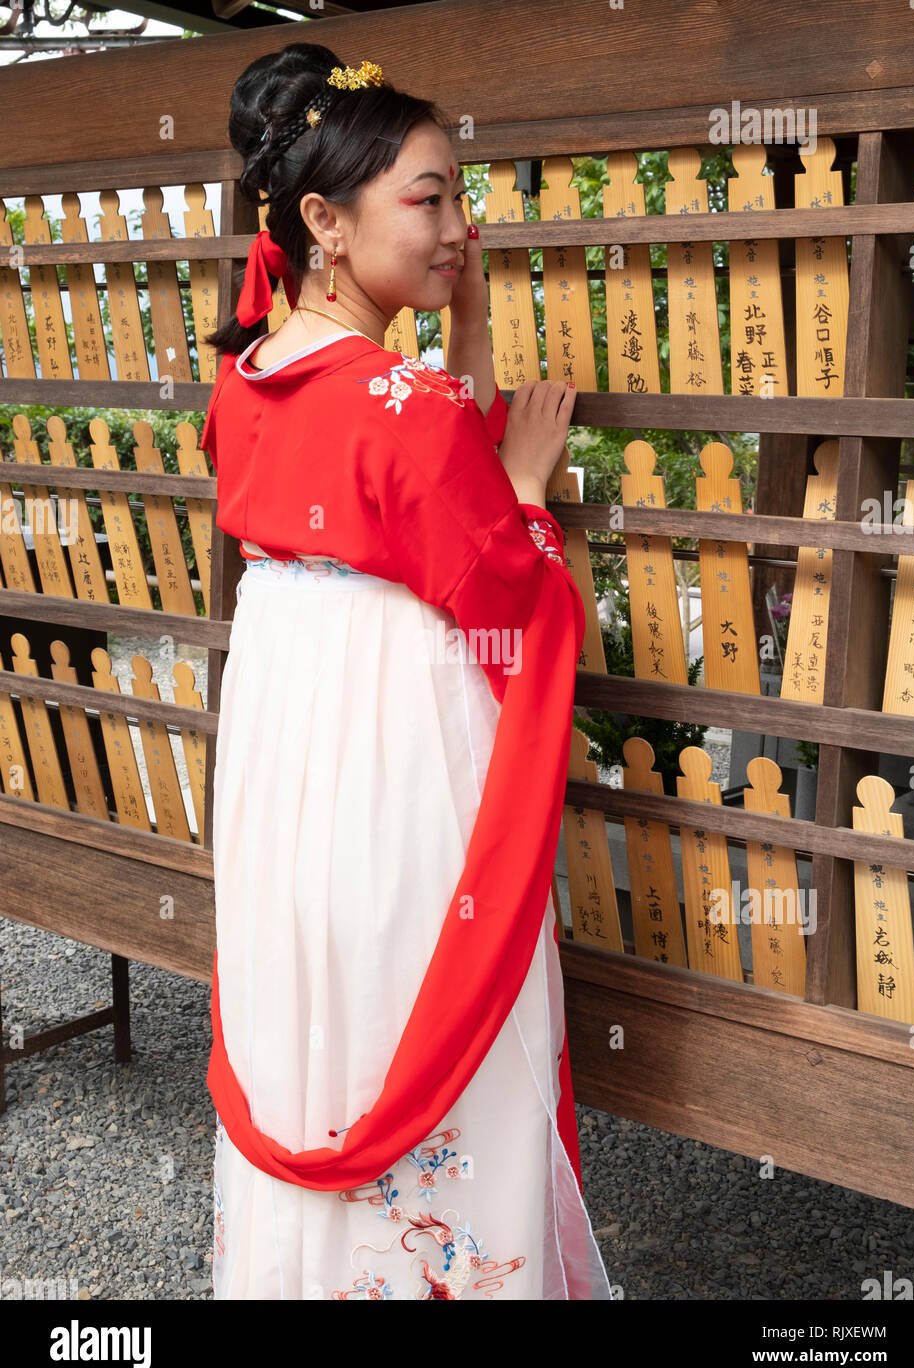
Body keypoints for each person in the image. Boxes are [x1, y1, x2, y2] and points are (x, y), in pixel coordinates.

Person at [200, 40, 612, 1301]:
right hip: (400, 763)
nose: (455, 225)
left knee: (317, 1019)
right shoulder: (414, 415)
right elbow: (518, 593)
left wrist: (466, 320)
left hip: (287, 757)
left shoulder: (244, 384)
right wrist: (533, 491)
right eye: (427, 199)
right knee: (425, 1000)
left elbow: (408, 468)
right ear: (325, 220)